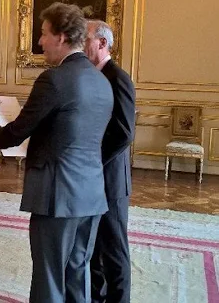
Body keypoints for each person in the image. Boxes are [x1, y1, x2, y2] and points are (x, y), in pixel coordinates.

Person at [0, 3, 114, 303]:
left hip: (58, 194)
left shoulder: (54, 79)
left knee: (49, 274)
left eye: (44, 34)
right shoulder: (101, 80)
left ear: (61, 37)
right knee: (78, 271)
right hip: (92, 193)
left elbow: (17, 131)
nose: (40, 41)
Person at [85, 20, 136, 303]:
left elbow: (124, 132)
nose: (81, 44)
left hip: (111, 179)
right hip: (92, 178)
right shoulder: (92, 76)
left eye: (86, 39)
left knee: (114, 250)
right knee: (93, 246)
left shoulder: (118, 77)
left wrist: (93, 160)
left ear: (102, 43)